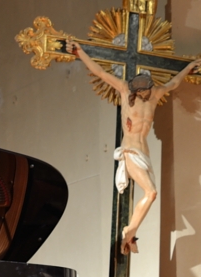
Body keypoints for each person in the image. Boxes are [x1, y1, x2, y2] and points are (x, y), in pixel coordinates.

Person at [66, 40, 201, 254]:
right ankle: (130, 230)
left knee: (151, 194)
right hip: (130, 151)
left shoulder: (155, 95)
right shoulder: (123, 91)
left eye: (149, 88)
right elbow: (100, 73)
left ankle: (130, 233)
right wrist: (80, 52)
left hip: (144, 153)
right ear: (137, 90)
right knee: (152, 193)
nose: (149, 92)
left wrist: (188, 68)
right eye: (145, 90)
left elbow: (173, 84)